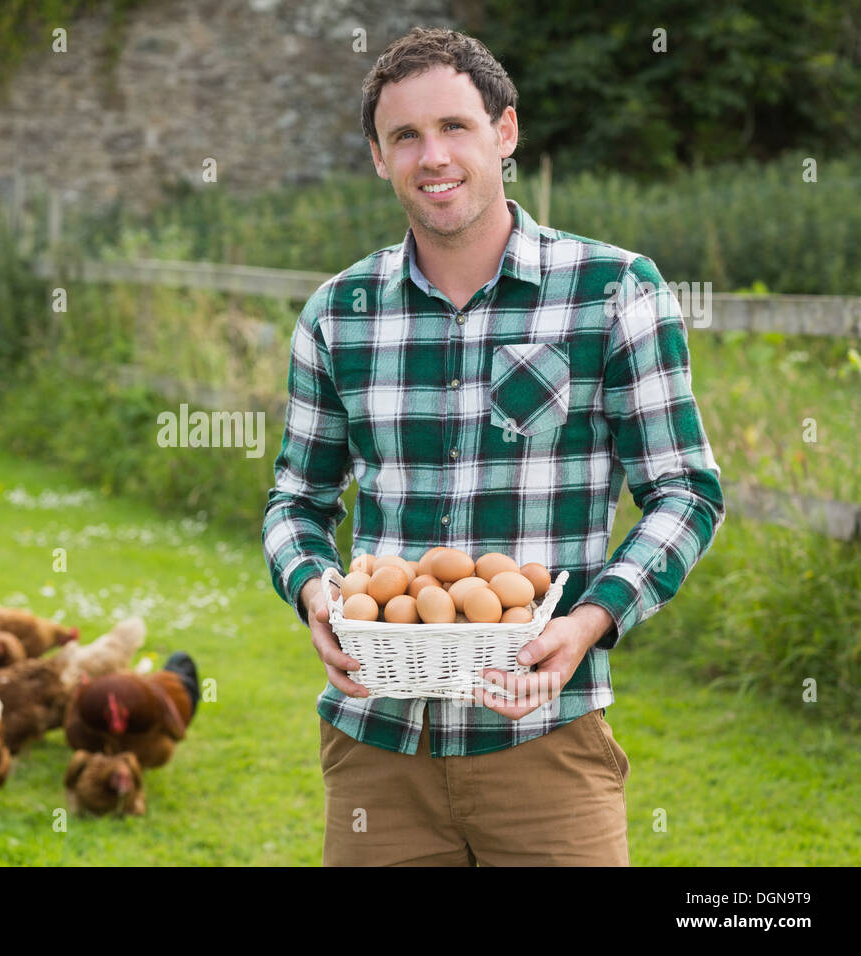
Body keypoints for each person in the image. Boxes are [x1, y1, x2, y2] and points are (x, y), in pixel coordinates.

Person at [261, 26, 725, 866]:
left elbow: (686, 492)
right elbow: (297, 499)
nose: (432, 155)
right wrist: (311, 592)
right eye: (405, 136)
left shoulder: (613, 290)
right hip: (378, 748)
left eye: (454, 127)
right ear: (377, 156)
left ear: (504, 133)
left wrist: (590, 620)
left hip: (545, 739)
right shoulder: (338, 312)